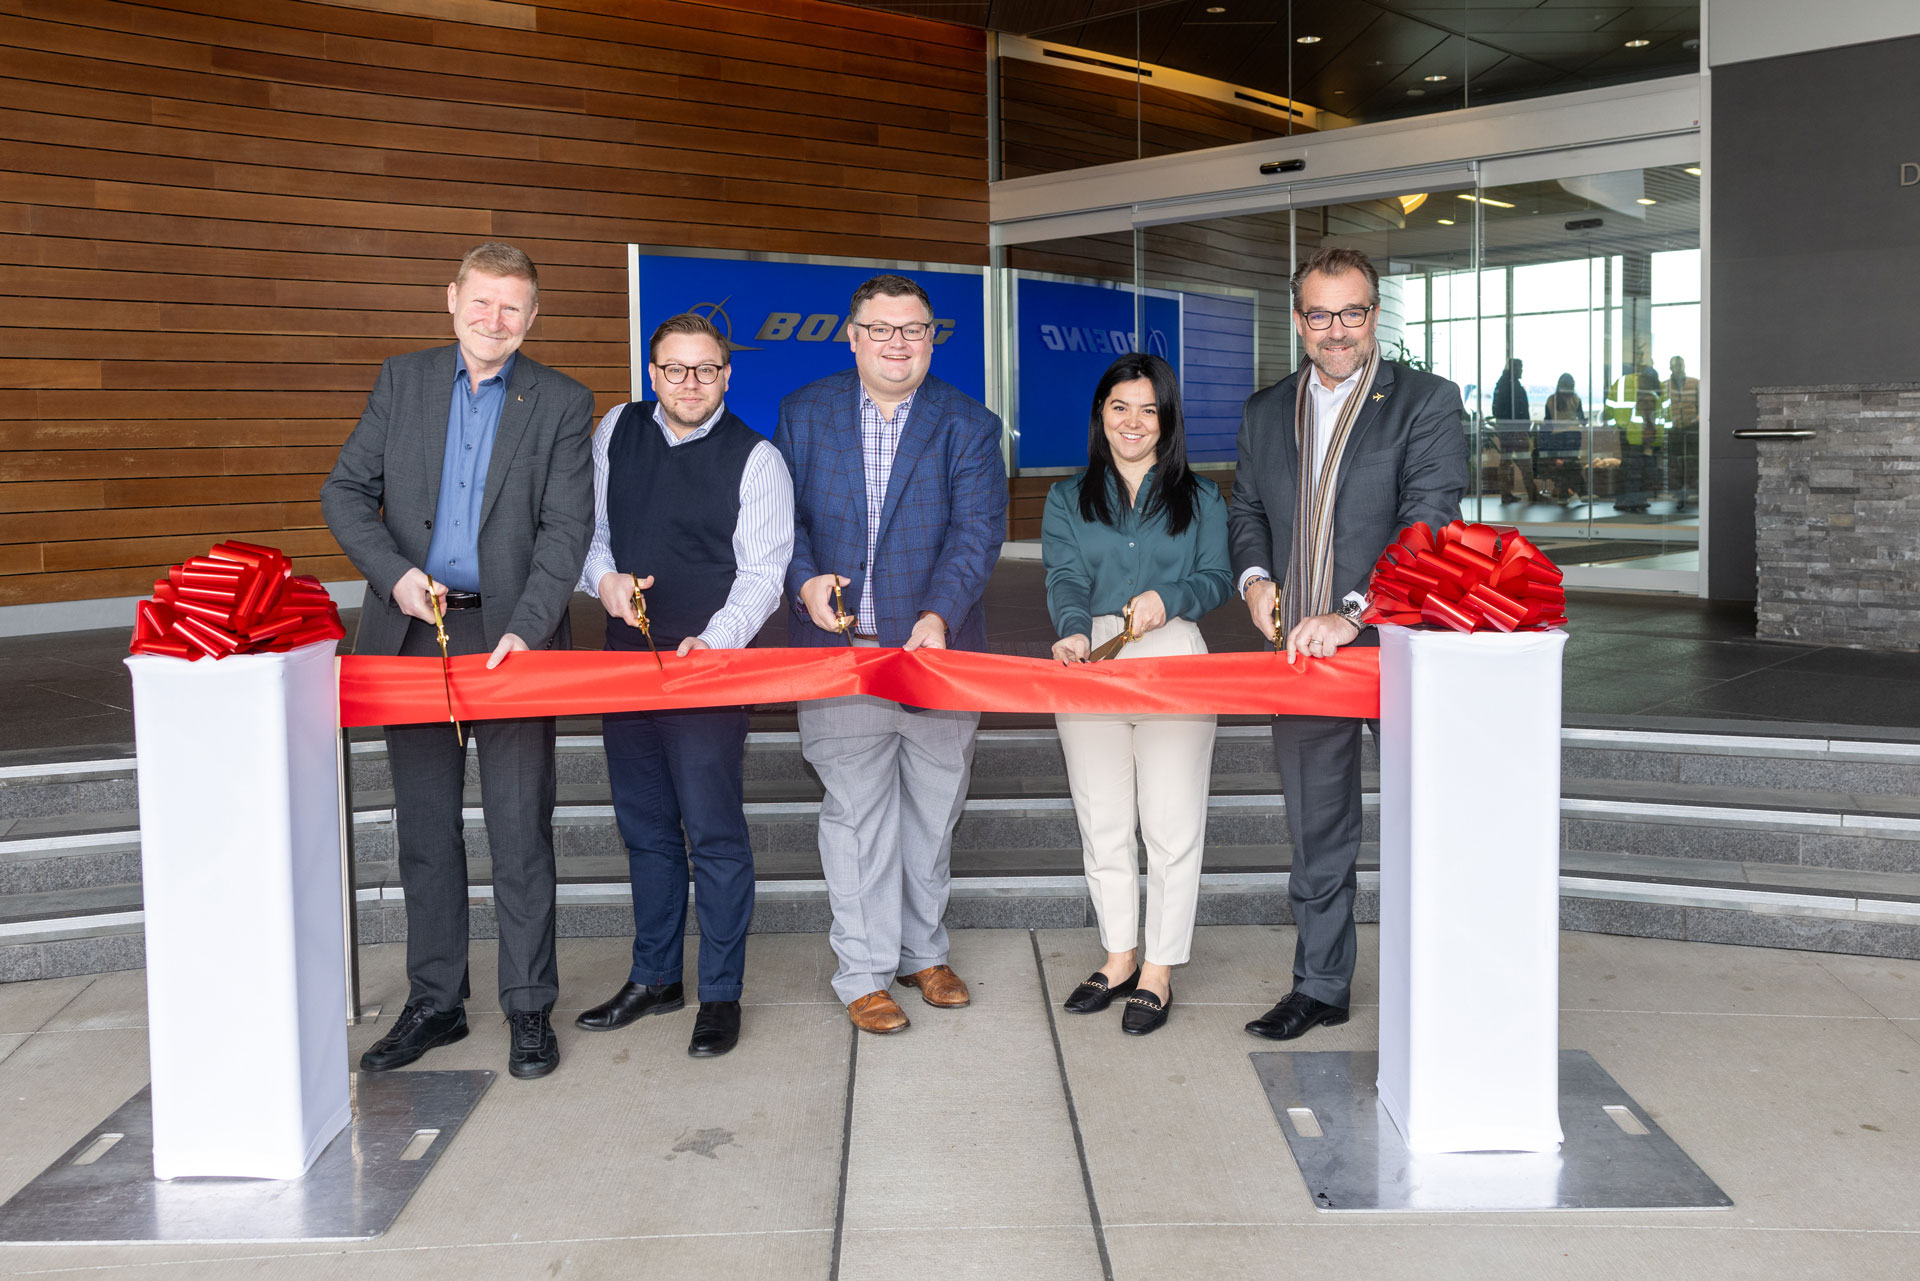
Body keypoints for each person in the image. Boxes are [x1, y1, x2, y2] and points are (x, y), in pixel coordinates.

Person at [321, 243, 593, 1080]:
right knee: (427, 836)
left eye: (513, 308)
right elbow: (343, 492)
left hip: (510, 642)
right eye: (482, 302)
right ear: (452, 300)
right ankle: (435, 1003)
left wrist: (533, 625)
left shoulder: (563, 401)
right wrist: (397, 577)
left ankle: (527, 1007)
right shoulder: (402, 382)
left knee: (520, 833)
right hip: (413, 639)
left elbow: (565, 529)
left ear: (533, 317)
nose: (495, 321)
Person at [1228, 246, 1468, 1043]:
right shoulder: (1266, 411)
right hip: (1301, 653)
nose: (1337, 330)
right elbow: (1246, 512)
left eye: (1353, 311)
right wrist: (1257, 579)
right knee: (1318, 828)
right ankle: (1322, 984)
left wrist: (1354, 612)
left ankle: (1445, 980)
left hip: (1397, 647)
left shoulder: (1425, 401)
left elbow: (1428, 522)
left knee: (1427, 820)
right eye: (1320, 314)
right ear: (1299, 321)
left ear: (1375, 315)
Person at [773, 273, 1007, 1035]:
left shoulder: (970, 424)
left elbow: (976, 535)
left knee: (932, 815)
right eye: (881, 328)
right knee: (854, 816)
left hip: (936, 656)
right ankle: (864, 972)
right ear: (852, 334)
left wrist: (939, 614)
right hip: (840, 656)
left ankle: (923, 951)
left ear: (932, 336)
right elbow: (785, 522)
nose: (897, 343)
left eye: (913, 328)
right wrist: (805, 583)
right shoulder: (803, 413)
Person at [572, 313, 794, 1059]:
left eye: (705, 369)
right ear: (653, 373)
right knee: (645, 826)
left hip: (709, 665)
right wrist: (602, 580)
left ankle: (721, 992)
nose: (689, 383)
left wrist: (717, 639)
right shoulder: (616, 430)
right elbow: (591, 532)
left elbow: (764, 574)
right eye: (674, 369)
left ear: (728, 376)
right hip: (624, 658)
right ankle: (656, 976)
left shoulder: (757, 459)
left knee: (714, 831)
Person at [1043, 352, 1230, 1036]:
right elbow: (1062, 576)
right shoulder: (1067, 497)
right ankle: (1119, 954)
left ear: (1168, 418)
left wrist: (1168, 597)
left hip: (1174, 649)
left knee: (1172, 821)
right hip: (1090, 657)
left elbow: (1216, 578)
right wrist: (1069, 633)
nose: (1133, 421)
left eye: (1148, 409)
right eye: (1120, 406)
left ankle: (1159, 967)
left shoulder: (1203, 497)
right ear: (1101, 415)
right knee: (1103, 818)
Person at [1490, 357, 1535, 504]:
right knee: (1524, 461)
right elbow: (1518, 408)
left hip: (1508, 429)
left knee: (1507, 461)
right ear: (1514, 368)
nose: (1521, 371)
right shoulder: (1511, 386)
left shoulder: (1503, 384)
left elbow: (1496, 409)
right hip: (1514, 430)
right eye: (1520, 368)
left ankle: (1507, 493)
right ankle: (1531, 492)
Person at [1539, 372, 1588, 504]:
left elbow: (1547, 421)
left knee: (1563, 465)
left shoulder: (1551, 400)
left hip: (1557, 435)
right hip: (1574, 435)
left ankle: (1565, 494)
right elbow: (1582, 420)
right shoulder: (1576, 400)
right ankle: (1581, 492)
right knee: (1572, 463)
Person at [1666, 356, 1700, 510]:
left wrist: (1697, 419)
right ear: (1670, 368)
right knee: (1675, 463)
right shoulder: (1665, 386)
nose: (1678, 368)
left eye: (1680, 365)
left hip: (1692, 428)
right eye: (1675, 366)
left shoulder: (1695, 383)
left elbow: (1701, 404)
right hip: (1674, 430)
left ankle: (1695, 491)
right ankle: (1679, 495)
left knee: (1692, 461)